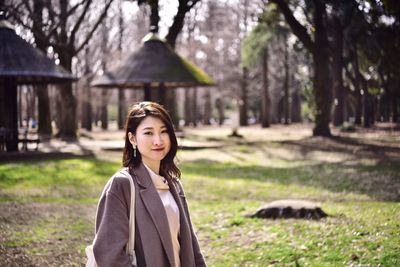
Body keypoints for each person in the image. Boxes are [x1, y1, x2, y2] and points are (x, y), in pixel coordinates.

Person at [92, 102, 207, 267]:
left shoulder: (174, 184)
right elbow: (109, 254)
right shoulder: (122, 184)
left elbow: (191, 245)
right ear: (132, 138)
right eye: (148, 133)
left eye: (163, 131)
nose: (158, 140)